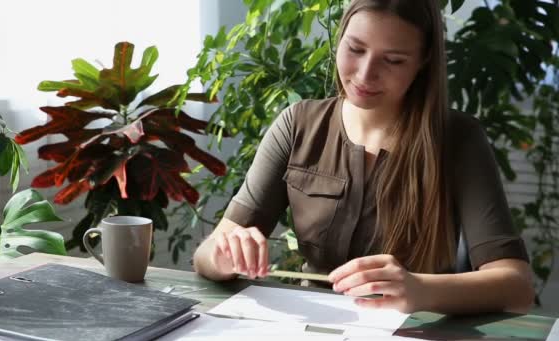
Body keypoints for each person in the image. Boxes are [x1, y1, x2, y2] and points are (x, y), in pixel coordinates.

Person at [193, 0, 534, 314]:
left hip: (414, 330)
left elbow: (516, 286)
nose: (365, 74)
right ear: (340, 39)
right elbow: (206, 257)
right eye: (355, 49)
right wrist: (225, 255)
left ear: (423, 61)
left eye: (393, 60)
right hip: (306, 325)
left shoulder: (459, 140)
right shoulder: (297, 124)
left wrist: (420, 291)